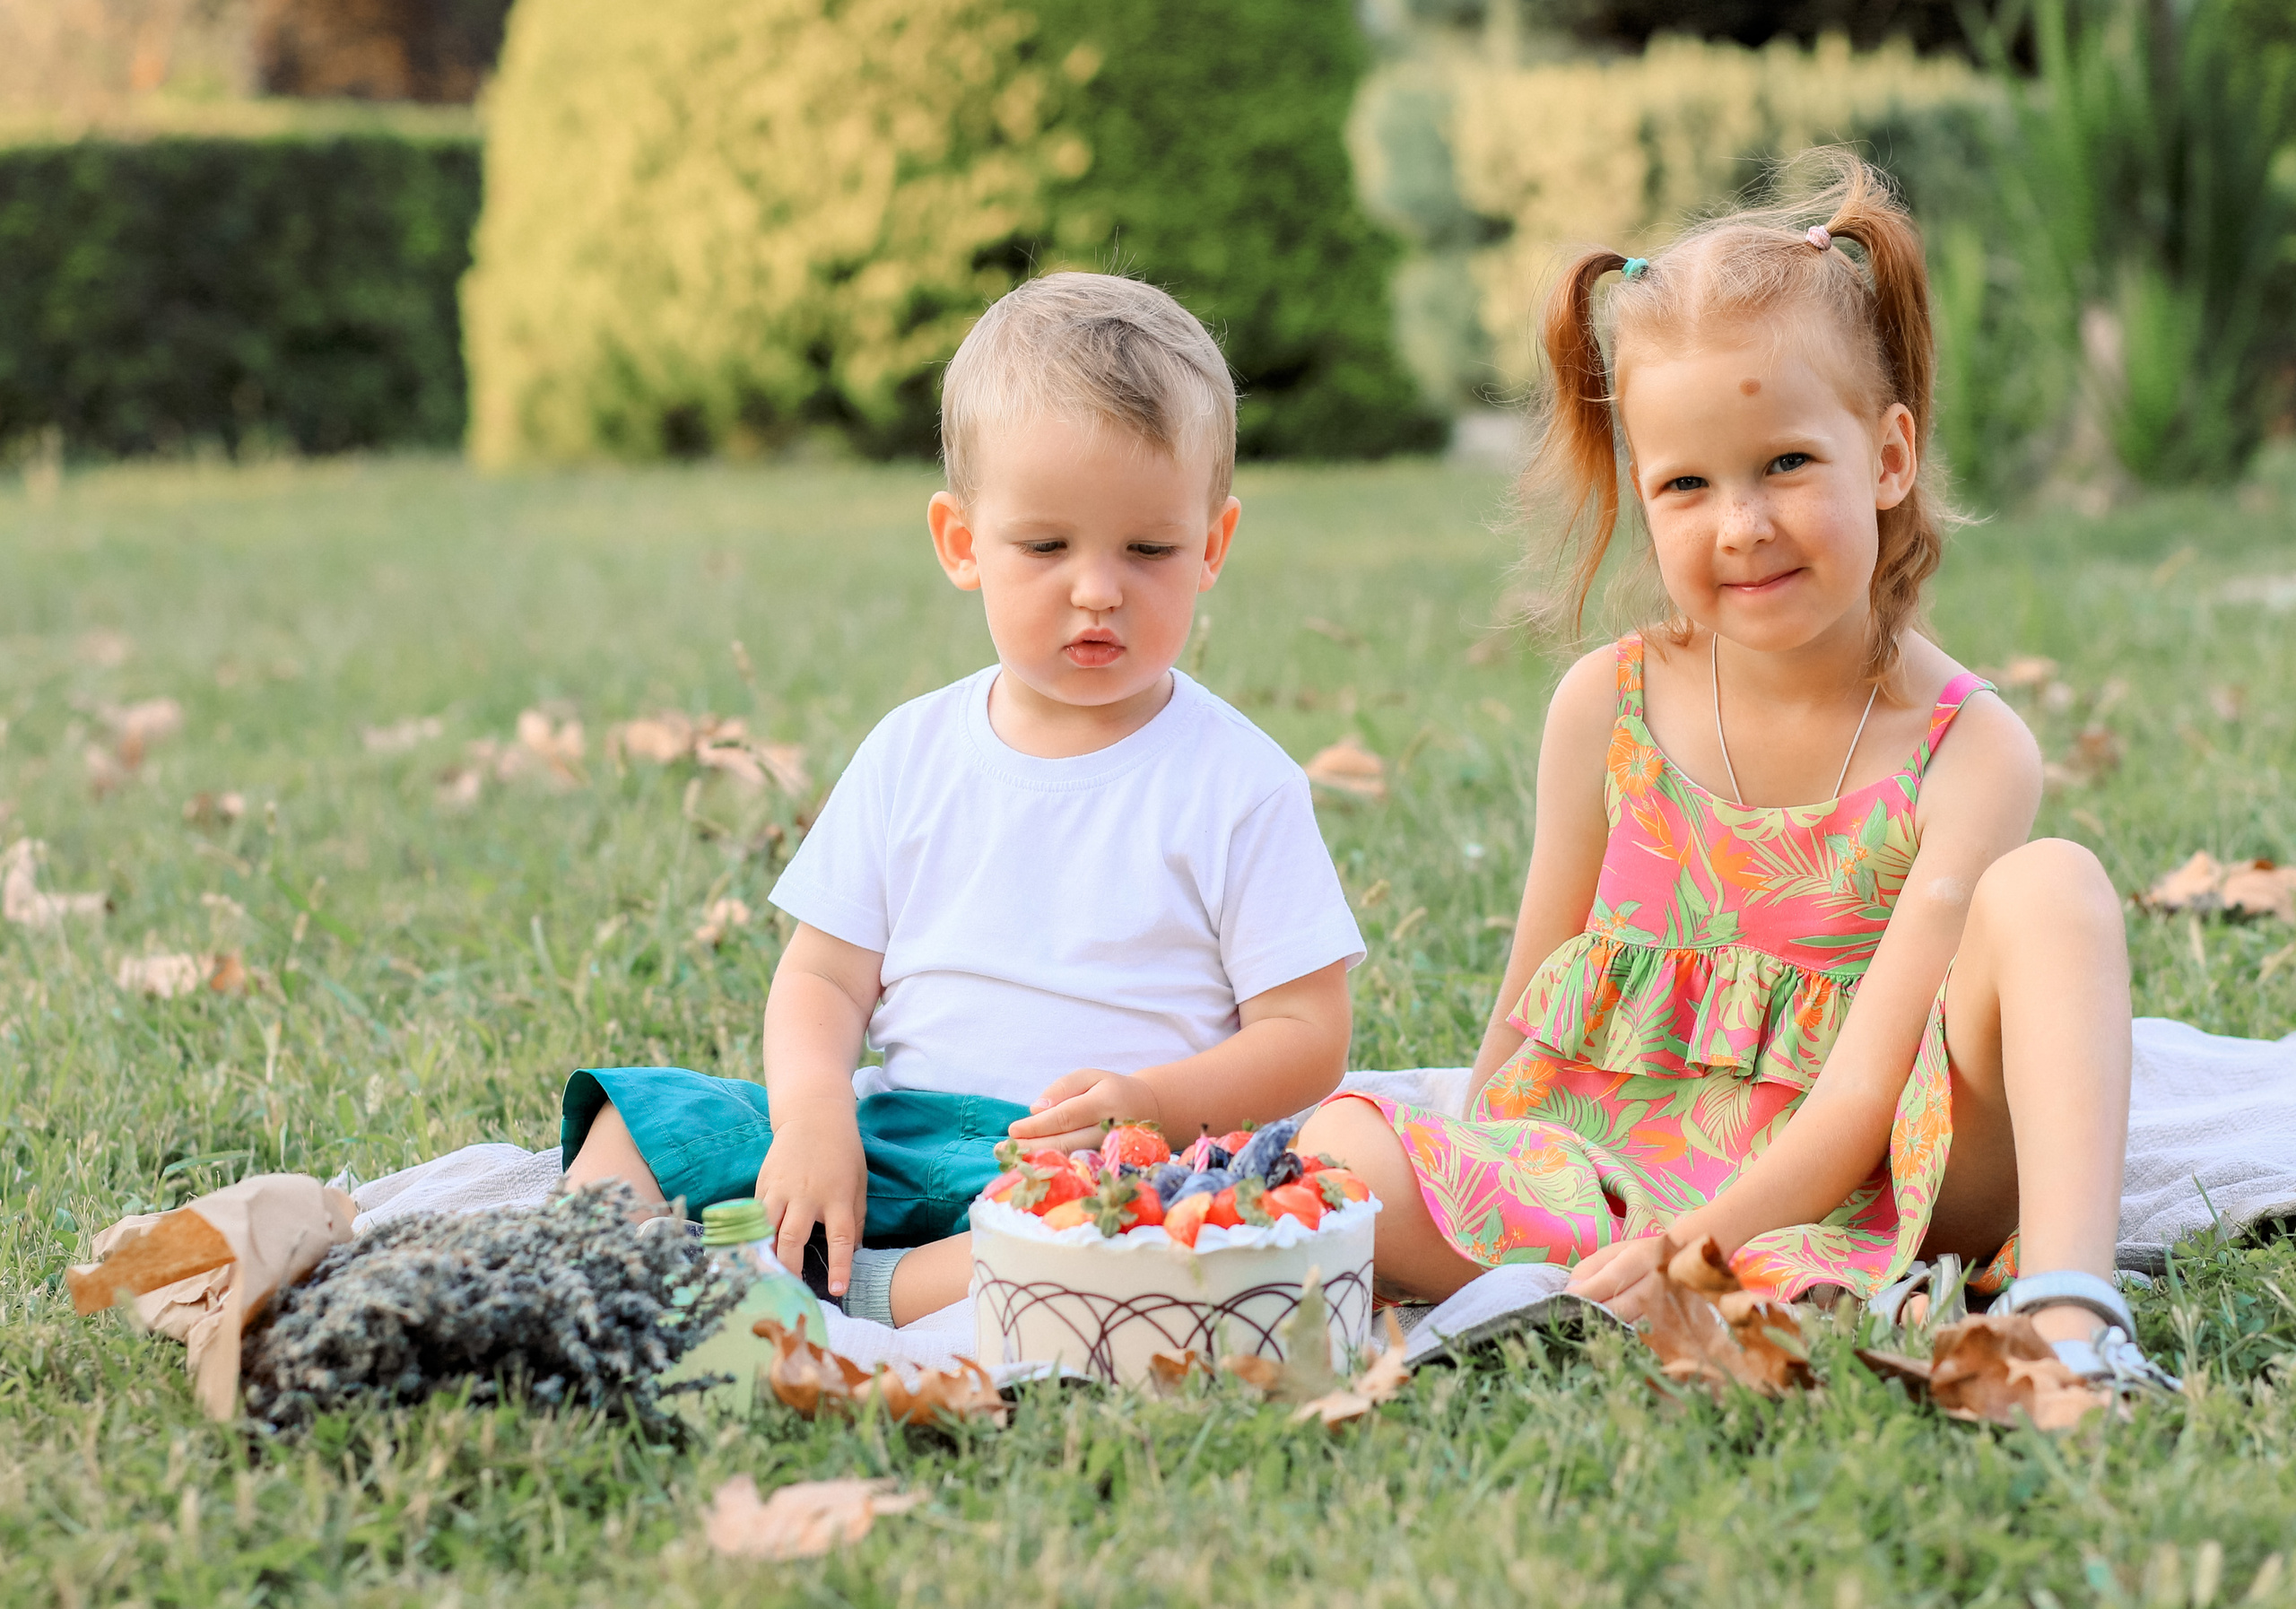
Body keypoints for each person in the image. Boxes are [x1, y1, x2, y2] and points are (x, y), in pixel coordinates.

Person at [1300, 151, 2172, 1390]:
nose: (1741, 524)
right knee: (1339, 1147)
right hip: (1617, 1154)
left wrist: (1705, 1239)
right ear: (1642, 496)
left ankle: (2075, 1327)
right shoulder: (1605, 705)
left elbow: (1869, 1082)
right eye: (1687, 484)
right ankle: (1616, 1279)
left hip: (1879, 1169)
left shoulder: (1966, 747)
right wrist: (1466, 1153)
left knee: (2055, 887)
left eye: (1787, 465)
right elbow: (1531, 993)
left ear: (1888, 456)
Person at [564, 272, 1363, 1326]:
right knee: (655, 1118)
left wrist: (1157, 1102)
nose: (1096, 588)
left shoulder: (1237, 780)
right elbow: (823, 978)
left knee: (1175, 1230)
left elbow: (1307, 1031)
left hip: (1106, 1159)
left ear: (1210, 544)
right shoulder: (912, 753)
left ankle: (865, 1292)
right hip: (893, 1139)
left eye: (1149, 548)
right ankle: (572, 1271)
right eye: (1045, 546)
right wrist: (813, 1115)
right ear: (960, 541)